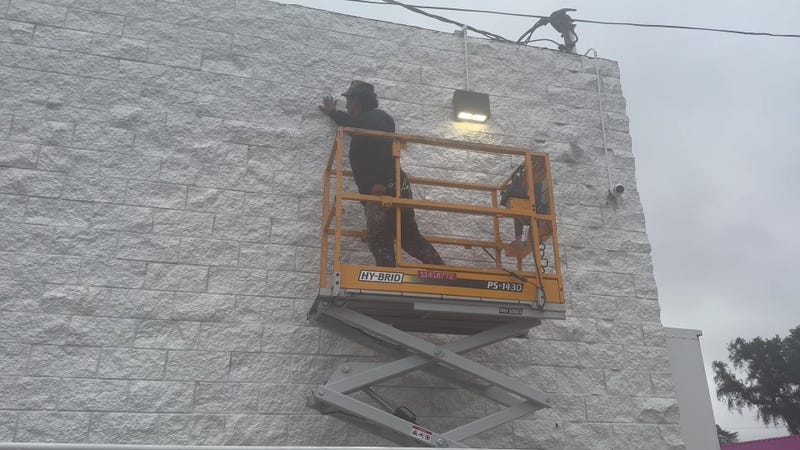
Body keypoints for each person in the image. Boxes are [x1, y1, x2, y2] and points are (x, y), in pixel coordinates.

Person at [319, 80, 444, 268]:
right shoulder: (368, 121)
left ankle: (388, 277)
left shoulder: (377, 119)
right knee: (408, 239)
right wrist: (334, 114)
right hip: (390, 187)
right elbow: (353, 125)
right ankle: (440, 270)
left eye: (350, 100)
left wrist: (380, 183)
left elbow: (384, 147)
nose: (347, 105)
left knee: (380, 237)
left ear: (359, 101)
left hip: (385, 189)